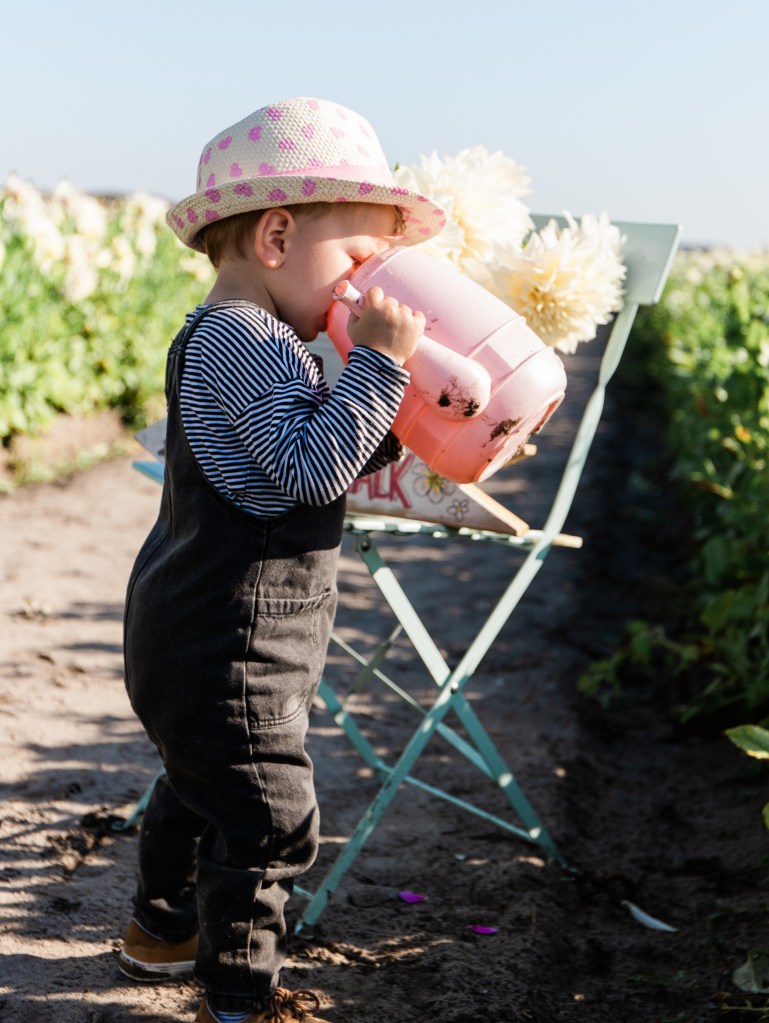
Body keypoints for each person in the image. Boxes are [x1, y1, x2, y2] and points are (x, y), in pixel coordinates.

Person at [118, 96, 446, 1023]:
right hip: (233, 646)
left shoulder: (230, 334)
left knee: (200, 783)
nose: (354, 290)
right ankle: (238, 994)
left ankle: (161, 931)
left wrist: (408, 426)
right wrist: (377, 366)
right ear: (273, 236)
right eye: (351, 262)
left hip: (191, 630)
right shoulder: (246, 340)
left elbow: (299, 450)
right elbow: (309, 467)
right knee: (269, 815)